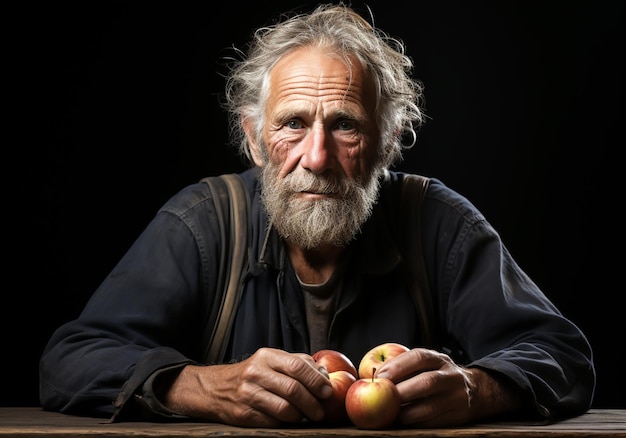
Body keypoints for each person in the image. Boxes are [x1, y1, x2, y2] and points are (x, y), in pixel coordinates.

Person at [39, 3, 595, 429]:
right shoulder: (203, 223)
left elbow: (563, 356)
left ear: (388, 142)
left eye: (346, 126)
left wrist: (477, 389)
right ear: (255, 140)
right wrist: (200, 387)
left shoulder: (439, 224)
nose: (317, 157)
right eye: (292, 124)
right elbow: (69, 362)